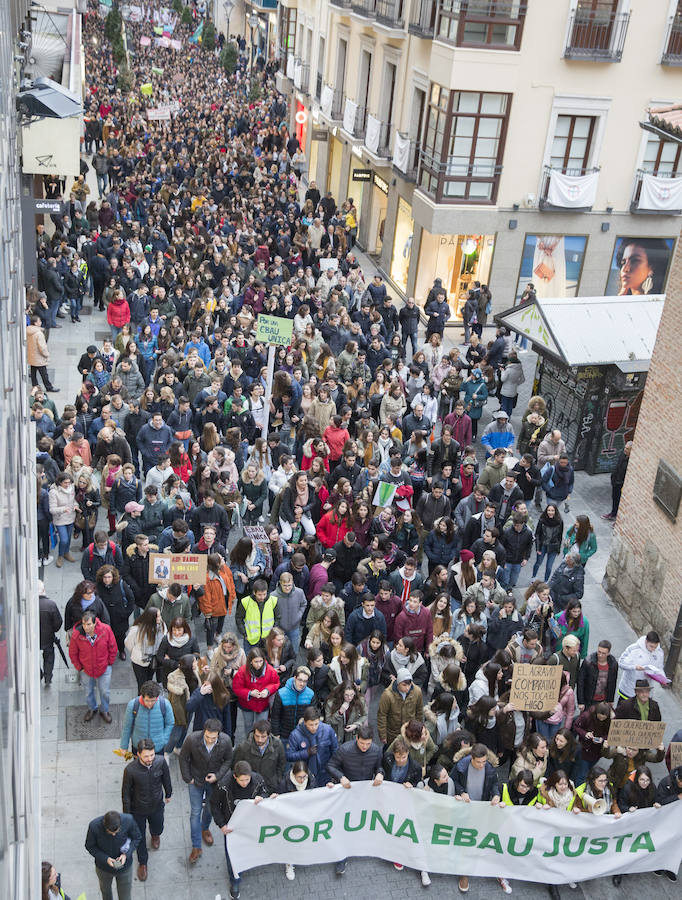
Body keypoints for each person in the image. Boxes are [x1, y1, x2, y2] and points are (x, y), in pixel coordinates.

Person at [327, 724, 384, 875]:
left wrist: (380, 773)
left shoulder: (376, 750)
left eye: (368, 744)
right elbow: (331, 766)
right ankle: (341, 856)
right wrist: (341, 777)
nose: (365, 747)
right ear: (356, 738)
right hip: (347, 793)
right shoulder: (345, 750)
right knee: (344, 824)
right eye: (362, 743)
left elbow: (380, 767)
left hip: (366, 793)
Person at [209, 760, 269, 900]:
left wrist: (263, 797)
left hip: (250, 823)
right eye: (242, 780)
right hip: (231, 825)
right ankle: (235, 880)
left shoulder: (257, 780)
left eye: (247, 779)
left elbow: (265, 791)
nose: (245, 783)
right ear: (235, 777)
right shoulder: (224, 785)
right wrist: (222, 825)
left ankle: (246, 863)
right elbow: (214, 804)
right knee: (232, 854)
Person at [179, 719, 233, 864]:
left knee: (209, 808)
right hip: (195, 780)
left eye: (213, 738)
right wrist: (187, 778)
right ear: (204, 732)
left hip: (214, 782)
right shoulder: (192, 739)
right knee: (195, 813)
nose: (210, 740)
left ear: (219, 735)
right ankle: (196, 846)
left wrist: (218, 775)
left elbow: (229, 760)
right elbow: (183, 758)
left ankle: (205, 828)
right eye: (207, 737)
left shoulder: (226, 741)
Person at [452, 743, 501, 893]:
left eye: (484, 762)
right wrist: (461, 791)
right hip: (464, 808)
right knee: (465, 840)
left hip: (481, 809)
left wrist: (496, 794)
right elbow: (453, 781)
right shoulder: (461, 767)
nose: (481, 765)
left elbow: (494, 785)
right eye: (478, 762)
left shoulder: (490, 769)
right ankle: (464, 873)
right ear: (471, 758)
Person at [121, 738, 172, 882]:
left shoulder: (160, 762)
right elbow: (125, 794)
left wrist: (168, 793)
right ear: (138, 754)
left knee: (158, 826)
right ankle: (143, 862)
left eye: (152, 755)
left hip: (156, 805)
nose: (150, 759)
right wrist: (127, 816)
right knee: (140, 837)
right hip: (138, 810)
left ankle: (155, 835)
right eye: (146, 756)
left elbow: (166, 779)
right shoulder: (130, 770)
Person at [68, 609, 118, 724]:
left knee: (105, 691)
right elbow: (73, 653)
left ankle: (104, 710)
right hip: (86, 670)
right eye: (84, 624)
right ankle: (92, 708)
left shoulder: (106, 630)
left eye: (89, 624)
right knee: (88, 691)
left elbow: (112, 647)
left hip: (104, 667)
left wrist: (109, 662)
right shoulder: (77, 635)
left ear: (95, 623)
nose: (86, 627)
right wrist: (79, 667)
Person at [85, 810, 141, 900]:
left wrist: (126, 854)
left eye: (116, 832)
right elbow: (90, 846)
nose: (114, 834)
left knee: (125, 896)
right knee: (105, 893)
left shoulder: (128, 820)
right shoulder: (94, 826)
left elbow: (137, 837)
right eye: (110, 833)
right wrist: (105, 859)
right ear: (104, 825)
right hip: (103, 868)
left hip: (125, 867)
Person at [287, 706, 339, 787]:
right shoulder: (295, 735)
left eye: (316, 724)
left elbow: (335, 751)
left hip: (325, 773)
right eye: (310, 724)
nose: (314, 727)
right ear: (304, 722)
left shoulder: (328, 730)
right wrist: (306, 753)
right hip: (305, 776)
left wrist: (333, 770)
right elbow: (289, 756)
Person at [119, 680, 175, 755]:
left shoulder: (165, 704)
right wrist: (123, 746)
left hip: (157, 747)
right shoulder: (133, 705)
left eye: (153, 701)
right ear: (142, 696)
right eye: (147, 700)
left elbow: (170, 723)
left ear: (157, 697)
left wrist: (164, 739)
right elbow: (127, 726)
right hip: (139, 747)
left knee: (157, 766)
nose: (150, 704)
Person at [232, 719, 286, 794]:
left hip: (271, 786)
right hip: (252, 787)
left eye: (263, 737)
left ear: (269, 734)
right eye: (257, 736)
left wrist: (277, 780)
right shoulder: (244, 747)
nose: (260, 740)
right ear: (253, 733)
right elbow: (236, 766)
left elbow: (281, 764)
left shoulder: (277, 745)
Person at [377, 667, 424, 747]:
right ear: (398, 683)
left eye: (409, 684)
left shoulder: (417, 692)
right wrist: (383, 735)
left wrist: (419, 730)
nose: (407, 688)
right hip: (393, 733)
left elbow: (419, 711)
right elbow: (382, 715)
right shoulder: (387, 695)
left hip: (410, 732)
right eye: (404, 685)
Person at [270, 666, 315, 740]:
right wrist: (276, 733)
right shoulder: (281, 693)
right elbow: (275, 716)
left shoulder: (310, 694)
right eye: (300, 680)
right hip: (284, 734)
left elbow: (313, 714)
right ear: (295, 678)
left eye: (305, 681)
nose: (302, 684)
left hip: (302, 734)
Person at [616, 630, 665, 699]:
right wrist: (634, 667)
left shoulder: (659, 653)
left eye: (655, 647)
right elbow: (621, 662)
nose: (653, 649)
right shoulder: (634, 649)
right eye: (651, 646)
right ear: (646, 642)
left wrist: (662, 678)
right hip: (629, 690)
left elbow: (660, 668)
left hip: (645, 692)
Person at [39, 581, 63, 686]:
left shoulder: (29, 605)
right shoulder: (51, 605)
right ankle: (48, 677)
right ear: (43, 590)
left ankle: (38, 673)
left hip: (34, 638)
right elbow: (58, 622)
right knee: (49, 656)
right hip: (48, 637)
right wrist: (53, 630)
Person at [603, 441, 632, 520]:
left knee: (621, 502)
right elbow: (617, 466)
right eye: (625, 447)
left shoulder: (632, 460)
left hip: (622, 484)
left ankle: (618, 519)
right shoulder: (622, 454)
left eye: (627, 449)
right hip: (616, 482)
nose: (625, 449)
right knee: (615, 499)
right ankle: (613, 513)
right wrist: (613, 478)